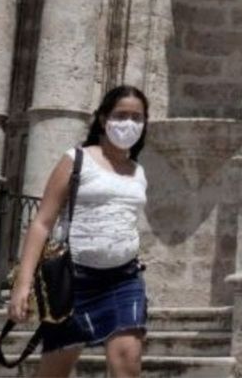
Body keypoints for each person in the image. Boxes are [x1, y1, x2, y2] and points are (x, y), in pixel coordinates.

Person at [10, 86, 151, 378]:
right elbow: (42, 223)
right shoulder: (76, 160)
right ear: (103, 119)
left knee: (129, 362)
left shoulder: (138, 171)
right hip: (74, 282)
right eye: (121, 115)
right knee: (54, 373)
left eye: (137, 117)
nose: (129, 123)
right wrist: (22, 284)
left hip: (124, 279)